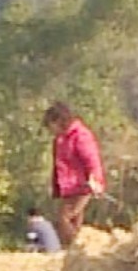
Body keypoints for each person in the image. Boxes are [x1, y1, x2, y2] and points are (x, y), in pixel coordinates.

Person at [44, 102, 104, 247]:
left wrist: (95, 179)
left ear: (59, 121)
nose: (50, 129)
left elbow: (92, 159)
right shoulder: (61, 139)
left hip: (82, 186)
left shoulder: (80, 136)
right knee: (74, 222)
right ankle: (75, 252)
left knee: (64, 219)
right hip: (69, 187)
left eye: (51, 124)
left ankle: (78, 249)